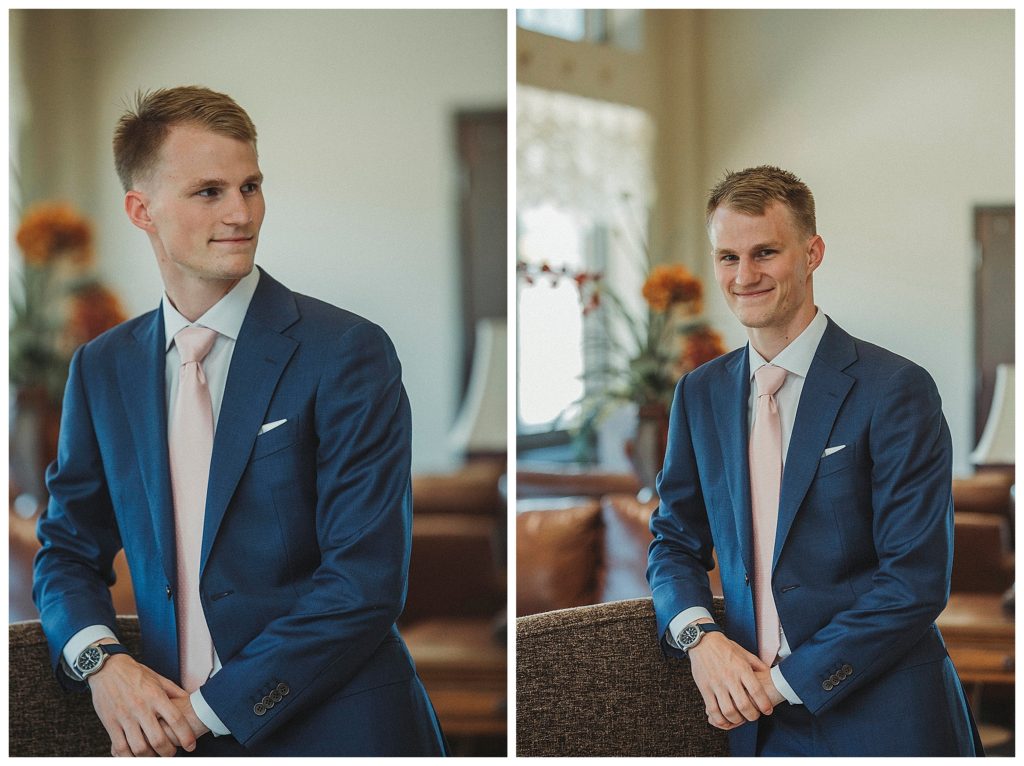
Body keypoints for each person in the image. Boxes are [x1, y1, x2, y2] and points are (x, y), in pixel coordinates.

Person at [32, 85, 448, 757]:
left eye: (250, 186)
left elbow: (363, 585)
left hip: (340, 734)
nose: (241, 212)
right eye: (209, 192)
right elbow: (66, 550)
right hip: (170, 740)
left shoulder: (346, 351)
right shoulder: (101, 368)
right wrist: (101, 664)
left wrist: (205, 711)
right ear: (142, 210)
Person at [647, 165, 982, 757]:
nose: (744, 275)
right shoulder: (698, 394)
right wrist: (700, 638)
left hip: (884, 719)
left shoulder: (896, 388)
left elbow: (914, 582)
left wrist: (779, 685)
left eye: (765, 252)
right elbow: (673, 540)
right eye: (727, 257)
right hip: (754, 728)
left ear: (812, 252)